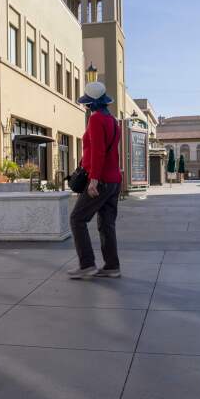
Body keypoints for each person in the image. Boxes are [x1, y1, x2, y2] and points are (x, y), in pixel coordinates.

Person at [68, 81, 122, 279]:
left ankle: (87, 264)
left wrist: (94, 180)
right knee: (107, 224)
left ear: (90, 104)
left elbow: (98, 151)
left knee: (77, 219)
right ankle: (111, 266)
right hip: (114, 179)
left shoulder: (96, 119)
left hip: (101, 180)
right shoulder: (113, 121)